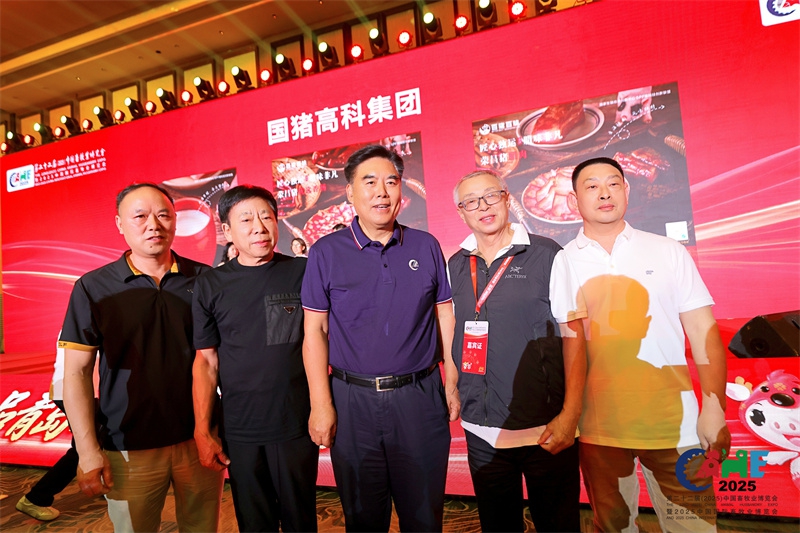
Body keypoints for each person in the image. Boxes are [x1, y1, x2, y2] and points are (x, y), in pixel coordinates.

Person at [552, 157, 731, 532]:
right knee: (613, 526)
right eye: (592, 186)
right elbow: (565, 344)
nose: (604, 193)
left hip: (675, 426)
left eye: (614, 184)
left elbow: (702, 330)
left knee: (694, 527)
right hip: (598, 429)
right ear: (573, 200)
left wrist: (714, 409)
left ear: (627, 191)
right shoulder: (561, 261)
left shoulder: (667, 250)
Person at [301, 144, 456, 532]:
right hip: (352, 401)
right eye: (369, 182)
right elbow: (315, 330)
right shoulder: (325, 252)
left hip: (419, 398)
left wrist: (452, 380)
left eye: (391, 181)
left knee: (424, 516)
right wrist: (320, 403)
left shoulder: (425, 245)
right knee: (363, 517)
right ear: (350, 192)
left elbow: (445, 315)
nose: (382, 192)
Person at [61, 183, 224, 533]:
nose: (154, 225)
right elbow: (76, 373)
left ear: (175, 221)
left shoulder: (206, 280)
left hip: (199, 439)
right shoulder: (93, 287)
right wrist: (87, 450)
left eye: (163, 215)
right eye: (140, 216)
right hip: (127, 446)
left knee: (203, 528)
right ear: (119, 223)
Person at [447, 170, 585, 532]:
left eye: (491, 196)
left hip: (545, 427)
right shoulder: (456, 264)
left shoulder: (546, 253)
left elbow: (574, 336)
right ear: (461, 212)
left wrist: (570, 415)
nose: (483, 207)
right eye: (471, 201)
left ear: (507, 198)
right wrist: (452, 385)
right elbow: (454, 333)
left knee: (558, 525)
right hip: (482, 430)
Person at [192, 185, 318, 532]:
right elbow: (206, 361)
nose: (259, 227)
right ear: (228, 231)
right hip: (241, 427)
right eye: (246, 219)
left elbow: (321, 339)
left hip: (295, 423)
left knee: (301, 519)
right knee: (254, 522)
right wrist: (203, 429)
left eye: (266, 217)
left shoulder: (303, 272)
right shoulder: (210, 284)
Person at [16, 338, 80, 522]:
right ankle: (36, 498)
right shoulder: (88, 321)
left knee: (98, 442)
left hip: (75, 388)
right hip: (80, 390)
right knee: (85, 447)